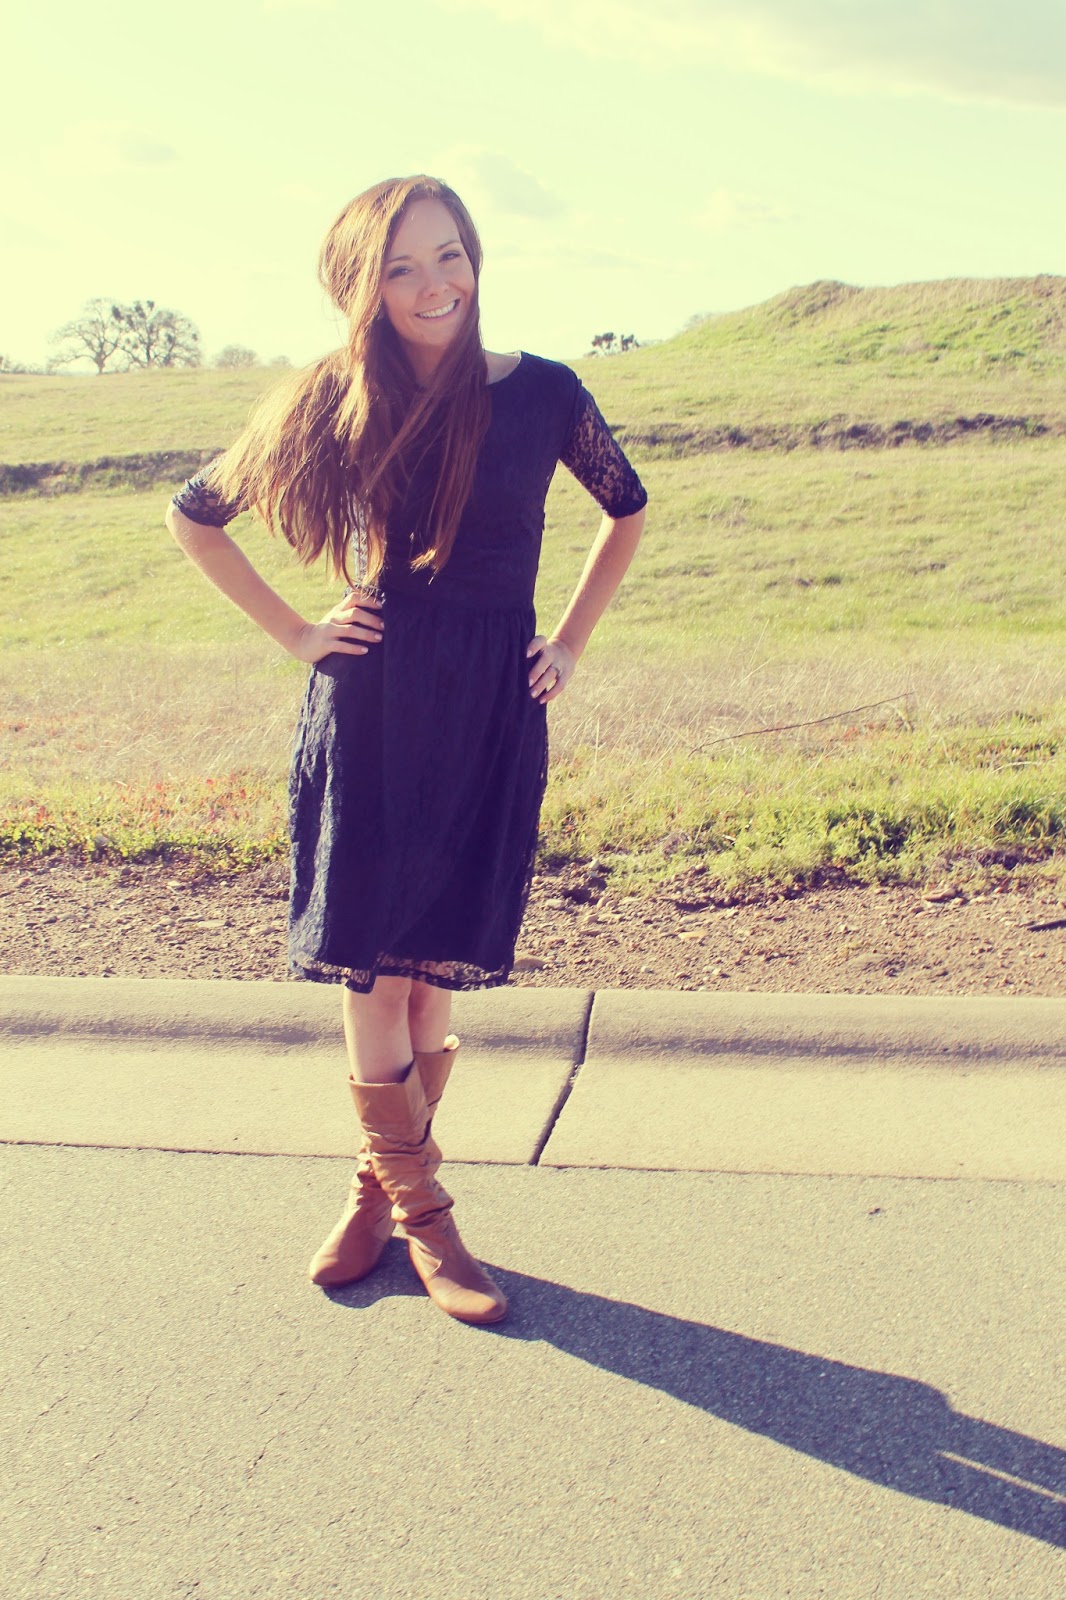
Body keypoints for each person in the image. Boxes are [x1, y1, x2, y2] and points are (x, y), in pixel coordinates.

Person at [166, 175, 647, 1327]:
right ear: (362, 287)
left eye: (449, 256)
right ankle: (427, 1219)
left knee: (434, 969)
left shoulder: (545, 393)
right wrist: (297, 632)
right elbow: (193, 515)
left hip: (490, 705)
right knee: (378, 971)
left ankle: (374, 1191)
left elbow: (625, 508)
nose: (435, 285)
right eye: (401, 267)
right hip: (376, 705)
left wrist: (568, 642)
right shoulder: (335, 394)